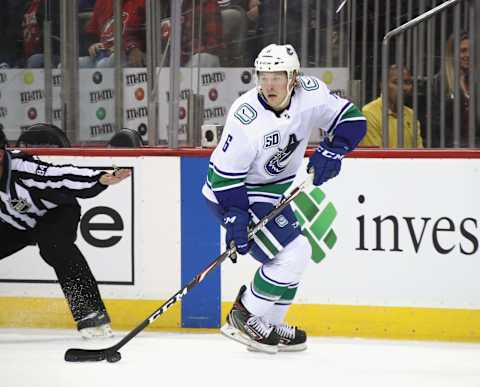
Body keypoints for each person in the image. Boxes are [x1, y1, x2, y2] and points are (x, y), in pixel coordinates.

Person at [202, 44, 366, 353]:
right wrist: (235, 215)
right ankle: (245, 315)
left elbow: (353, 121)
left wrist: (336, 148)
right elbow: (224, 177)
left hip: (273, 190)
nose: (269, 84)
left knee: (297, 254)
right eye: (264, 76)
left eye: (277, 76)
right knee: (295, 251)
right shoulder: (245, 115)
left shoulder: (311, 93)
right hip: (235, 191)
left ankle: (269, 325)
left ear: (293, 77)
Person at [0, 129, 131, 338]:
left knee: (54, 246)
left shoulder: (23, 168)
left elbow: (61, 175)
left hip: (55, 212)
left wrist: (99, 179)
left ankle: (91, 311)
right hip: (15, 224)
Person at [361, 64, 423, 148]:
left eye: (407, 83)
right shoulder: (369, 113)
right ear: (383, 85)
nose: (403, 88)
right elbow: (376, 157)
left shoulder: (411, 115)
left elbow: (419, 153)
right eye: (396, 82)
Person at [431, 32, 477, 148]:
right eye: (463, 50)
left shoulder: (475, 81)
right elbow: (437, 123)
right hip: (450, 149)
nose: (468, 55)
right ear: (452, 54)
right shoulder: (441, 82)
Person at [79, 0, 146, 68]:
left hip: (130, 53)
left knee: (104, 65)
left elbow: (146, 33)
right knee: (77, 64)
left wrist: (131, 48)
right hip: (104, 54)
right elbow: (91, 32)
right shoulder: (102, 2)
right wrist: (93, 45)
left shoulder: (143, 2)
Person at [19, 0, 61, 68]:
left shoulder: (52, 4)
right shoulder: (24, 6)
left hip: (51, 55)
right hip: (26, 57)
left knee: (35, 61)